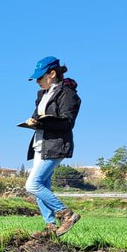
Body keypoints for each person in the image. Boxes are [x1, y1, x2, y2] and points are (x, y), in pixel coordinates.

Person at [23, 56, 82, 237]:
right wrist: (32, 121)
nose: (37, 82)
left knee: (32, 185)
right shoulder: (42, 95)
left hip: (57, 145)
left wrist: (41, 124)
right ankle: (50, 227)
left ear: (52, 73)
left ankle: (66, 214)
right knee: (43, 187)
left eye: (40, 78)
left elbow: (67, 122)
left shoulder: (68, 94)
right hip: (40, 144)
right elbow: (38, 116)